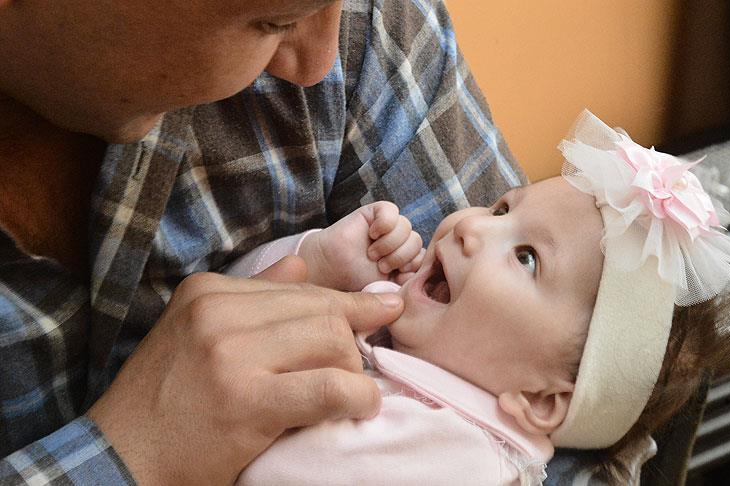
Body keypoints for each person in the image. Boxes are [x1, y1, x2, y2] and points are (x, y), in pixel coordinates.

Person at [0, 1, 531, 484]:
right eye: (272, 22)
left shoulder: (369, 27)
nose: (319, 66)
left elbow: (567, 367)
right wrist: (137, 457)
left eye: (527, 256)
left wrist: (308, 261)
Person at [224, 111, 730, 485]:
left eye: (526, 258)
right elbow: (229, 318)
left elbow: (252, 461)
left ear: (541, 400)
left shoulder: (457, 459)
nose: (470, 227)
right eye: (502, 209)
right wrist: (317, 261)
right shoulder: (395, 318)